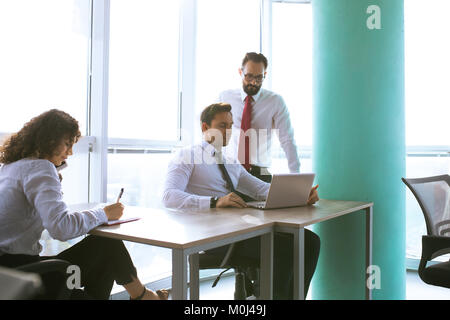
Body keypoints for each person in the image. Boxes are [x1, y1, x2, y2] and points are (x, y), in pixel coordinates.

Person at [0, 109, 168, 300]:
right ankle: (145, 297)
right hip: (28, 274)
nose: (70, 153)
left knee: (103, 255)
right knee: (106, 245)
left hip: (8, 276)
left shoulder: (10, 167)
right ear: (49, 140)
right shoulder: (40, 167)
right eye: (67, 144)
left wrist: (55, 168)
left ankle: (143, 297)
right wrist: (103, 213)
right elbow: (60, 228)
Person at [162, 103, 320, 299]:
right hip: (210, 236)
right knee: (285, 248)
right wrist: (214, 201)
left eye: (230, 126)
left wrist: (300, 194)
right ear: (205, 128)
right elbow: (169, 196)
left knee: (310, 241)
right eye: (222, 126)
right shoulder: (187, 156)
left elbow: (260, 189)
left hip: (239, 231)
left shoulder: (229, 161)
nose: (228, 131)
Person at [218, 52, 300, 183]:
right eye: (249, 76)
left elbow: (287, 139)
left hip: (259, 172)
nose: (253, 82)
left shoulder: (275, 102)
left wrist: (296, 176)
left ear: (265, 75)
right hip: (230, 170)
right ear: (240, 72)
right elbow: (213, 134)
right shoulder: (225, 98)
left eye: (259, 78)